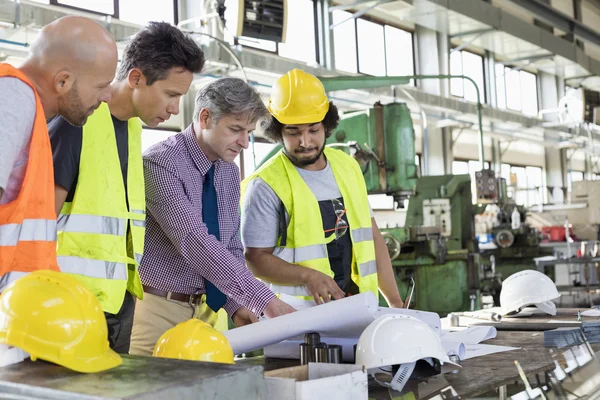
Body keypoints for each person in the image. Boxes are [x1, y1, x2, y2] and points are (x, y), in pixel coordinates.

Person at [48, 22, 205, 354]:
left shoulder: (134, 130)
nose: (176, 109)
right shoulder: (75, 123)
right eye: (171, 94)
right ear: (136, 78)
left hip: (117, 309)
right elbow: (37, 223)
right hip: (66, 311)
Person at [129, 77, 295, 356]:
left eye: (249, 132)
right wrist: (261, 299)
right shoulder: (160, 163)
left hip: (208, 313)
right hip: (156, 312)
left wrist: (236, 305)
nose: (244, 142)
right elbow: (195, 243)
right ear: (205, 118)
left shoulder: (228, 172)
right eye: (236, 129)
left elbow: (228, 246)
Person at [241, 69, 405, 308]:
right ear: (277, 131)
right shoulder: (266, 184)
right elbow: (255, 259)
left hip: (358, 307)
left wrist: (396, 302)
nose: (305, 142)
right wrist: (307, 277)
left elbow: (371, 236)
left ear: (326, 126)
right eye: (293, 132)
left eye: (313, 130)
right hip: (296, 318)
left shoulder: (347, 166)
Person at [0, 16, 117, 287]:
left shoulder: (26, 106)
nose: (107, 97)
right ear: (62, 81)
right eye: (101, 86)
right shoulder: (14, 97)